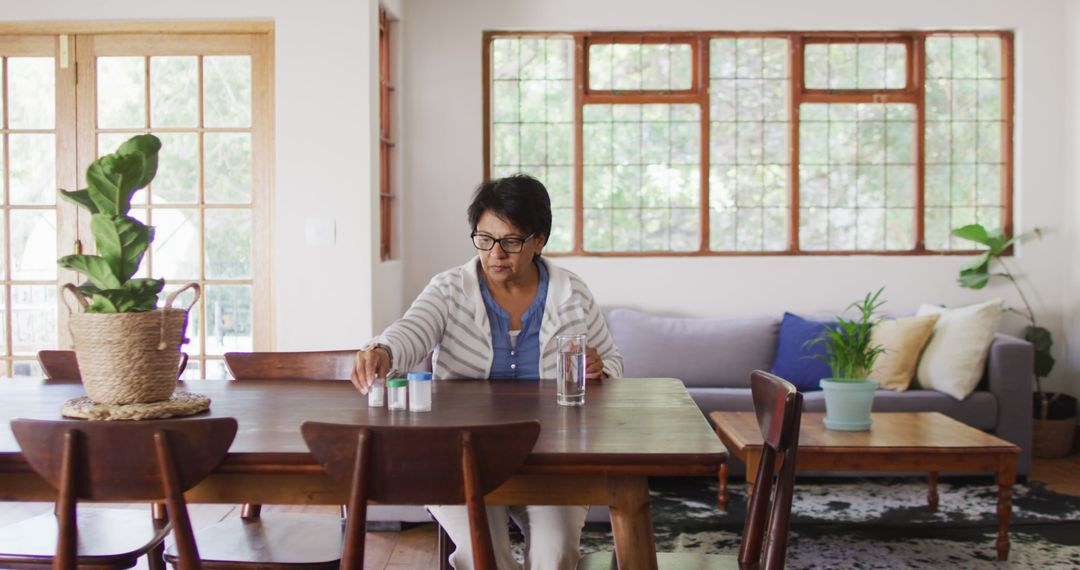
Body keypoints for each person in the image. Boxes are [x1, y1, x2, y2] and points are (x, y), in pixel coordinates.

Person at [352, 174, 623, 570]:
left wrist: (602, 370)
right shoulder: (449, 289)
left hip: (551, 457)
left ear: (539, 241)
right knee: (485, 557)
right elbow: (410, 332)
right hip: (459, 454)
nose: (495, 253)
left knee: (556, 555)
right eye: (484, 238)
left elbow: (613, 362)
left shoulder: (572, 293)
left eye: (510, 242)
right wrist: (383, 349)